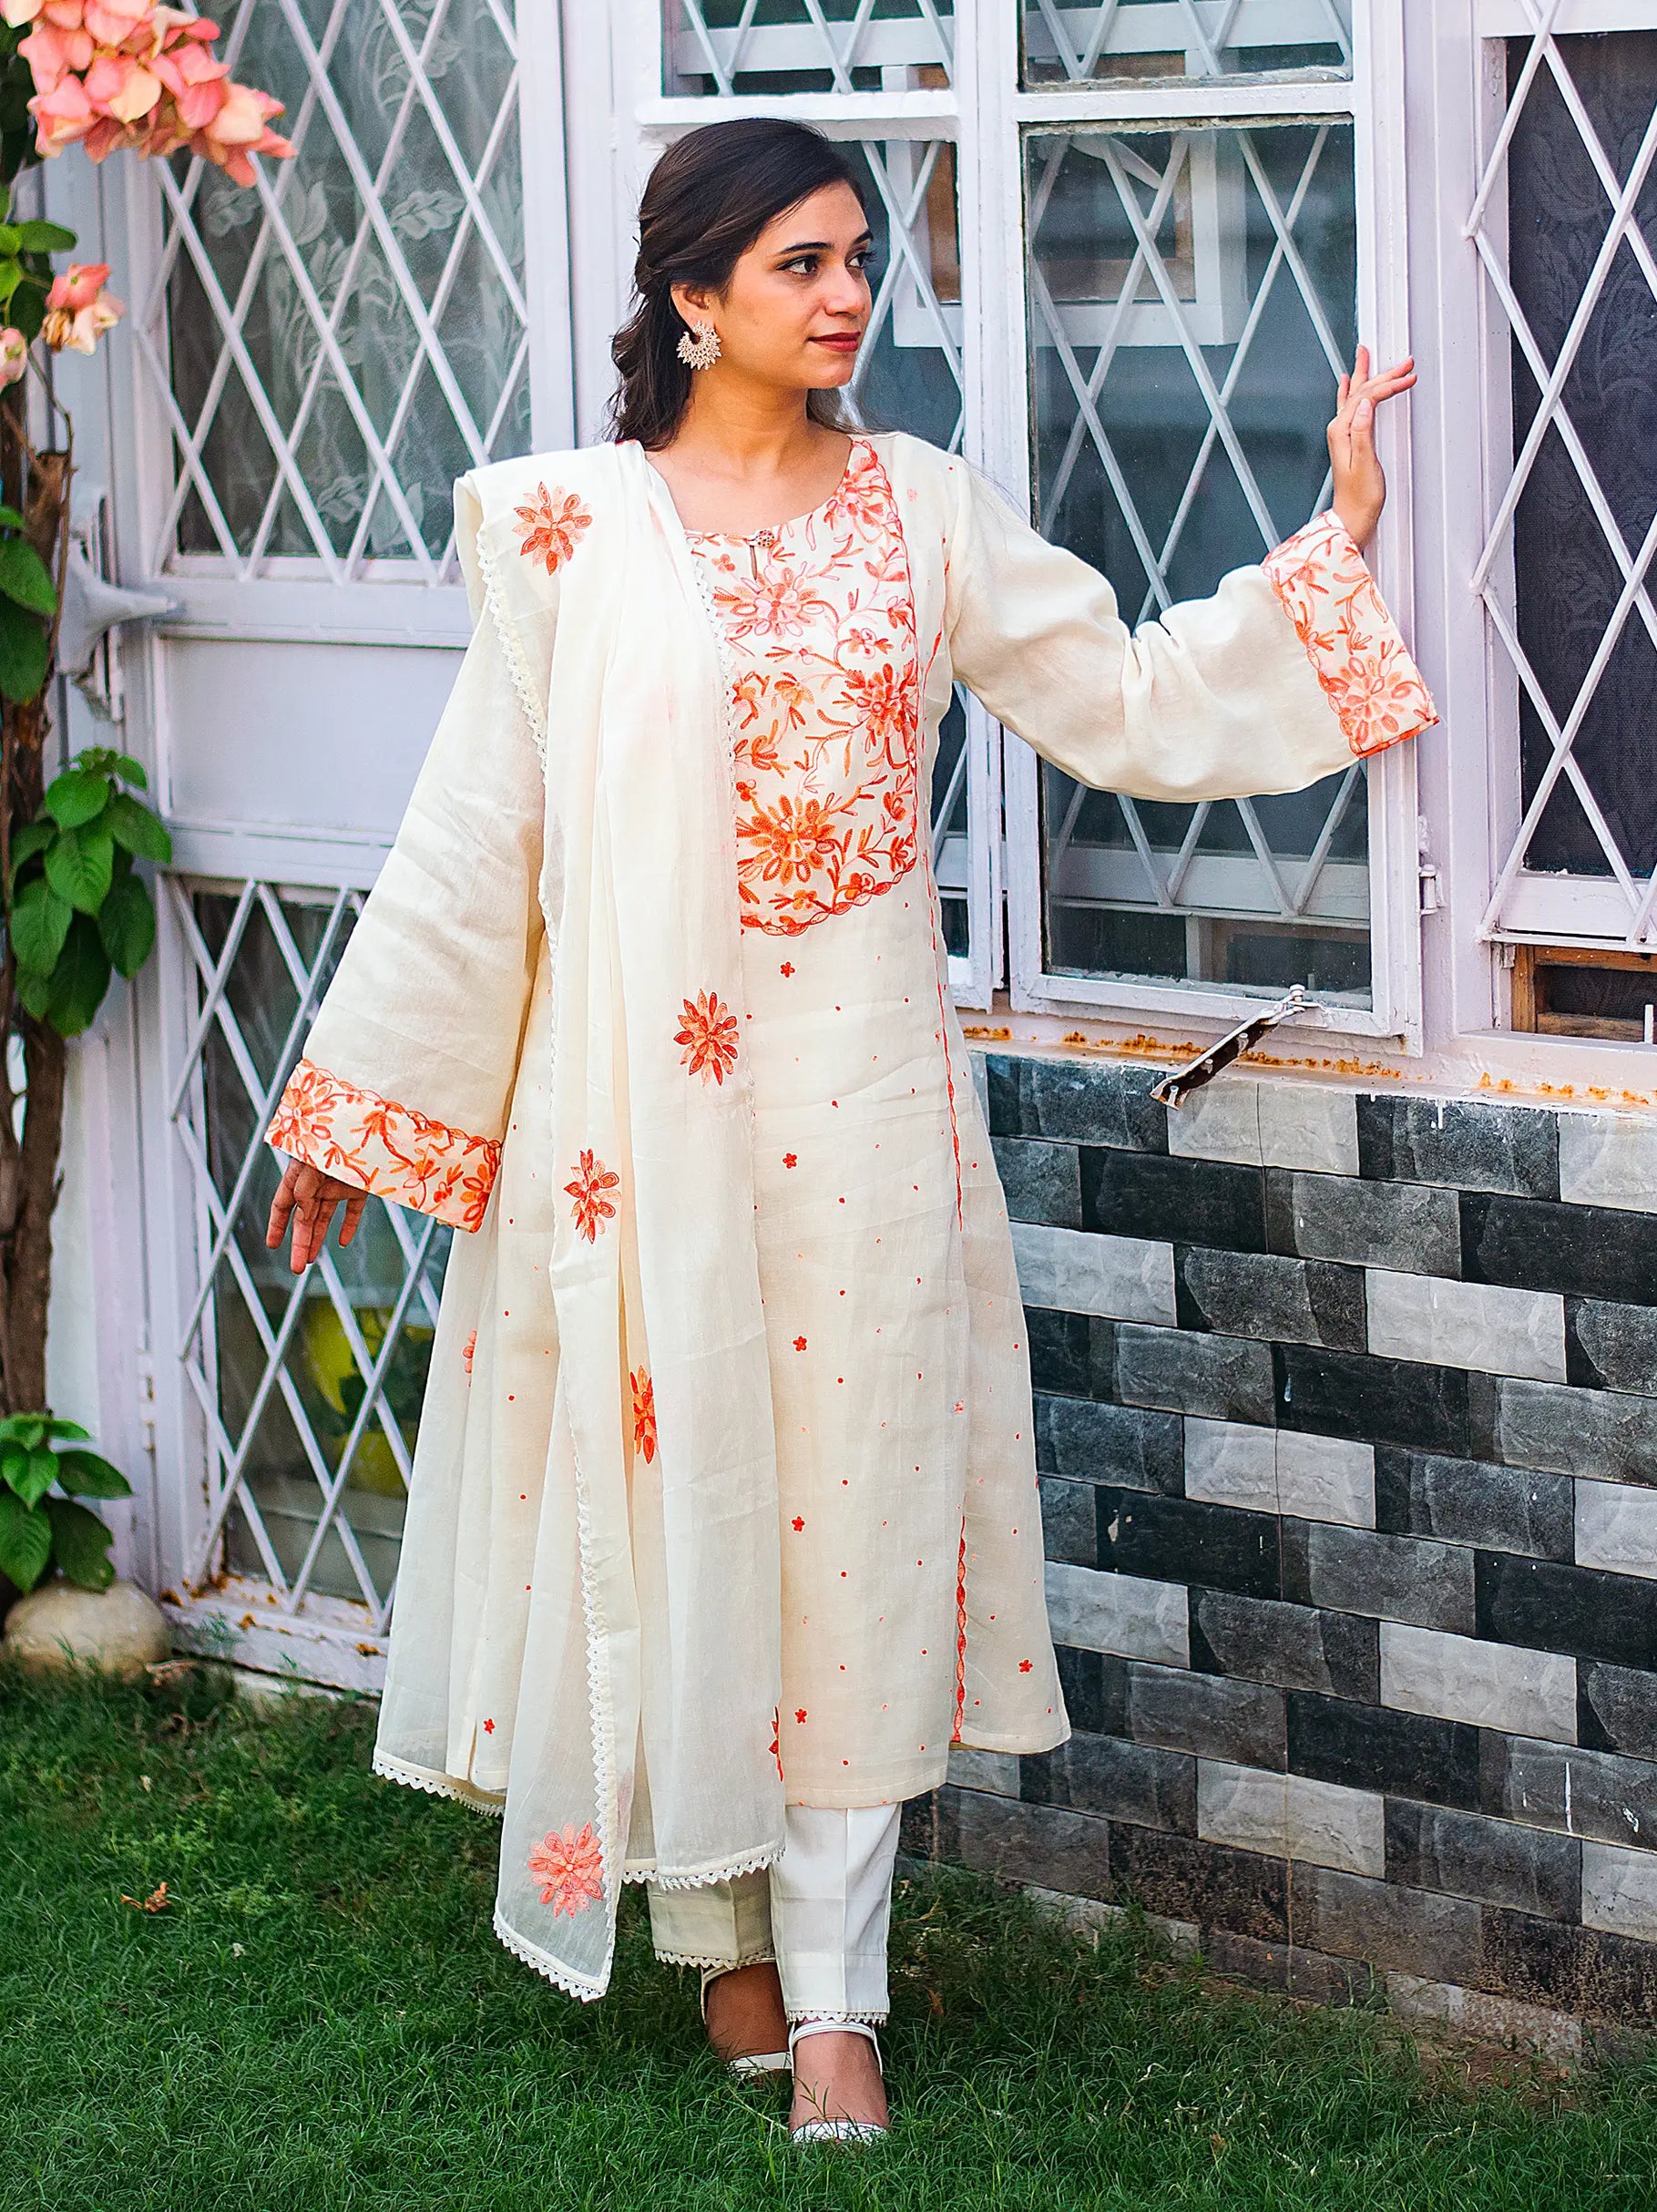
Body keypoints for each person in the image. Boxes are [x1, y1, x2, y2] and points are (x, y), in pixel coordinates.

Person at [262, 116, 1434, 2145]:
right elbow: (477, 844)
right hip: (647, 1124)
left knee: (856, 1536)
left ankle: (832, 2000)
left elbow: (1132, 697)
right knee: (684, 1502)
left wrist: (1327, 547)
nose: (844, 293)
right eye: (797, 262)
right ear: (691, 297)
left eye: (857, 257)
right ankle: (714, 1926)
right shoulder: (565, 531)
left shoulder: (920, 513)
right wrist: (357, 1114)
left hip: (869, 1116)